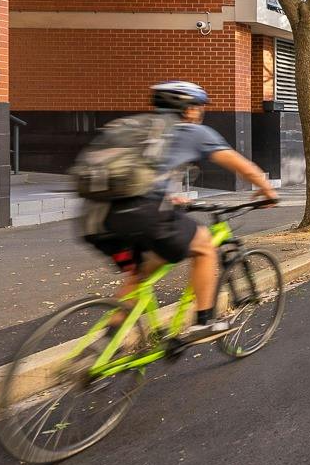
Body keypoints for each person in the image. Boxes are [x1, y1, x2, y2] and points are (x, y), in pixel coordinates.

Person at [84, 81, 278, 341]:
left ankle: (102, 349)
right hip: (142, 214)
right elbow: (242, 166)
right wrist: (267, 190)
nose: (200, 112)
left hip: (97, 219)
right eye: (198, 107)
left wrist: (165, 195)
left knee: (140, 272)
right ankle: (204, 322)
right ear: (188, 109)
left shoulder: (138, 128)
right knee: (205, 246)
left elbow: (134, 175)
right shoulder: (193, 132)